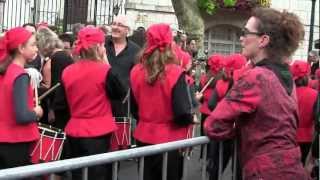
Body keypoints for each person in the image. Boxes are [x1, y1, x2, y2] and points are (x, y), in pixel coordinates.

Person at [204, 8, 310, 179]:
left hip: (265, 171)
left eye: (245, 32)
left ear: (263, 40)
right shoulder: (286, 75)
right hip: (293, 167)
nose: (241, 38)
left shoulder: (256, 76)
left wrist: (239, 131)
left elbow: (213, 125)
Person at [130, 23, 193, 180]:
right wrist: (191, 119)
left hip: (143, 136)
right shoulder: (175, 72)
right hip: (170, 139)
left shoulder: (136, 70)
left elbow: (134, 108)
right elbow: (182, 112)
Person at [62, 27, 126, 180]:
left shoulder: (68, 71)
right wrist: (105, 61)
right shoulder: (104, 70)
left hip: (75, 129)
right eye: (103, 45)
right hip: (98, 131)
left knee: (78, 175)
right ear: (98, 47)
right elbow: (121, 93)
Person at [0, 27, 43, 169]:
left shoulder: (5, 71)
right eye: (33, 45)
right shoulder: (20, 75)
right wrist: (37, 112)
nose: (36, 48)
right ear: (20, 48)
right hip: (15, 141)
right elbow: (22, 115)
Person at [105, 15, 140, 142]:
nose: (114, 27)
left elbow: (137, 76)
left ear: (127, 30)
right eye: (113, 23)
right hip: (101, 98)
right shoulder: (102, 45)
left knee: (117, 142)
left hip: (122, 102)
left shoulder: (135, 51)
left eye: (119, 25)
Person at [290, 61, 319, 164]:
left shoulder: (286, 93)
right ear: (307, 76)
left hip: (287, 138)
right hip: (308, 138)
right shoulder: (315, 94)